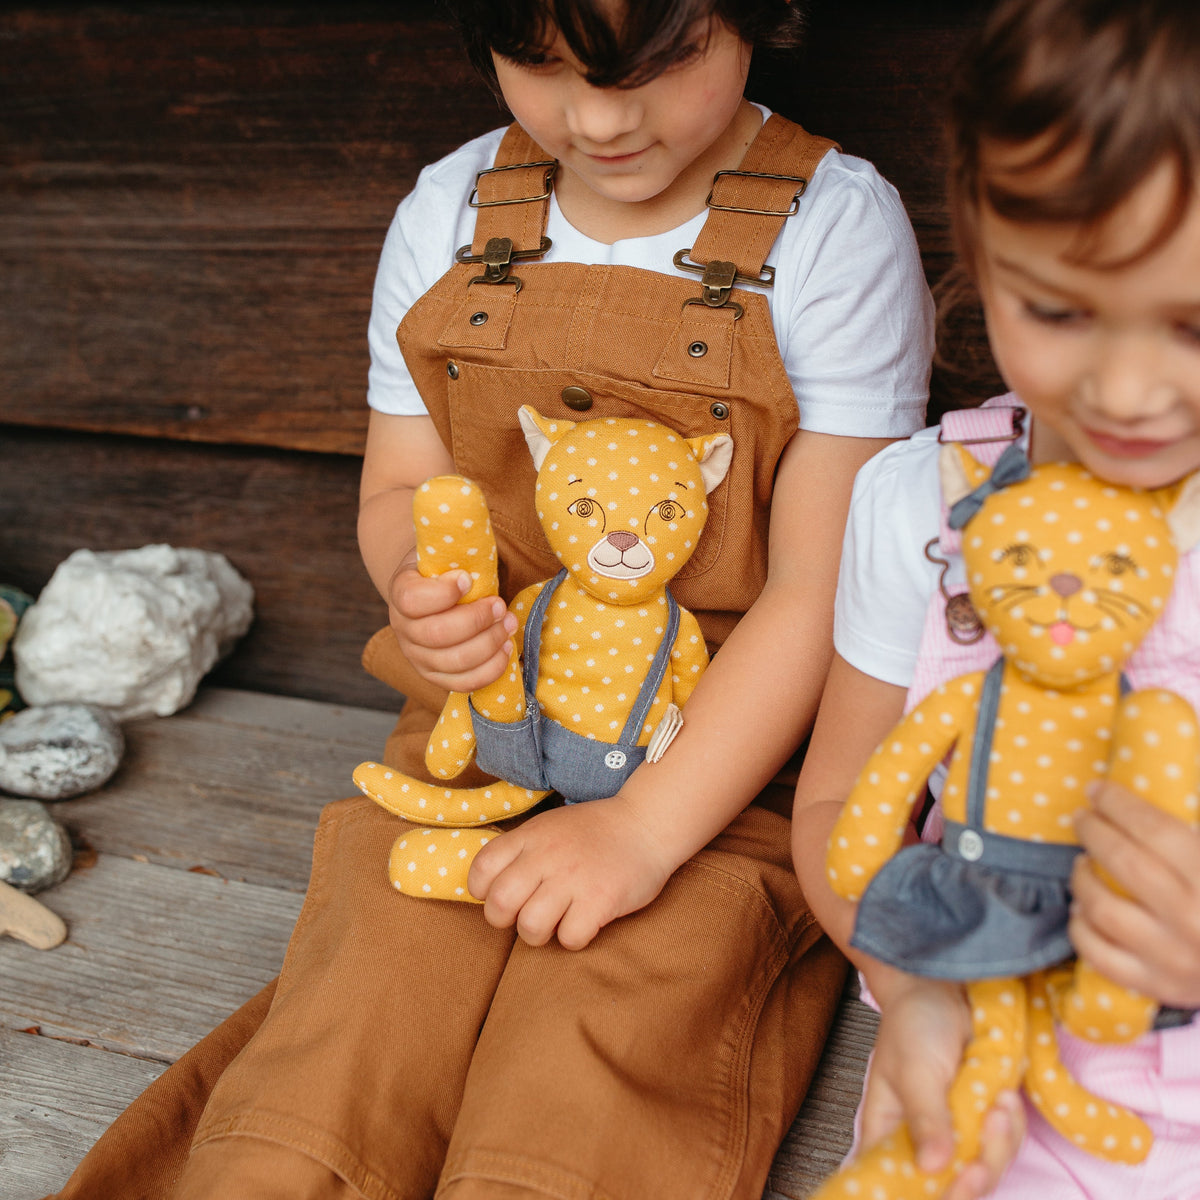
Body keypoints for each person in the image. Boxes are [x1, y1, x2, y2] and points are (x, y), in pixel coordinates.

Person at [47, 2, 932, 1197]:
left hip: (730, 750)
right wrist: (420, 590)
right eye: (543, 65)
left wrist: (643, 830)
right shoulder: (456, 211)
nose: (602, 118)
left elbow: (823, 592)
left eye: (660, 64)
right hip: (483, 726)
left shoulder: (833, 227)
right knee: (369, 999)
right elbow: (404, 486)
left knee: (605, 1030)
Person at [791, 1, 1200, 1197]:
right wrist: (916, 994)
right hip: (979, 1075)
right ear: (976, 250)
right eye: (1060, 309)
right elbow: (834, 809)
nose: (1127, 389)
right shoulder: (925, 500)